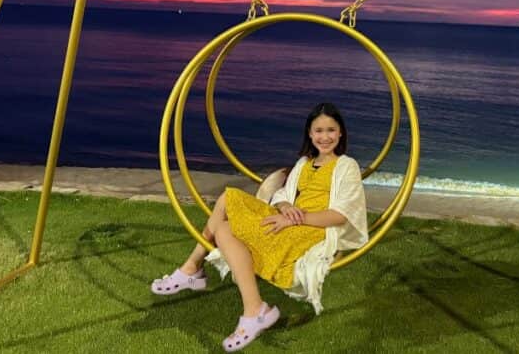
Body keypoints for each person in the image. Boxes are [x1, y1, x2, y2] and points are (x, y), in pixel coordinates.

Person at [151, 102, 368, 351]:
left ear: (341, 133)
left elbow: (340, 215)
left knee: (225, 230)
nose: (325, 137)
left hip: (312, 229)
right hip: (289, 219)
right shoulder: (303, 164)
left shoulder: (346, 166)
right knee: (228, 200)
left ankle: (199, 274)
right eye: (319, 131)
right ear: (309, 133)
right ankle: (236, 297)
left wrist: (293, 219)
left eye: (331, 130)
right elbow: (283, 195)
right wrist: (286, 207)